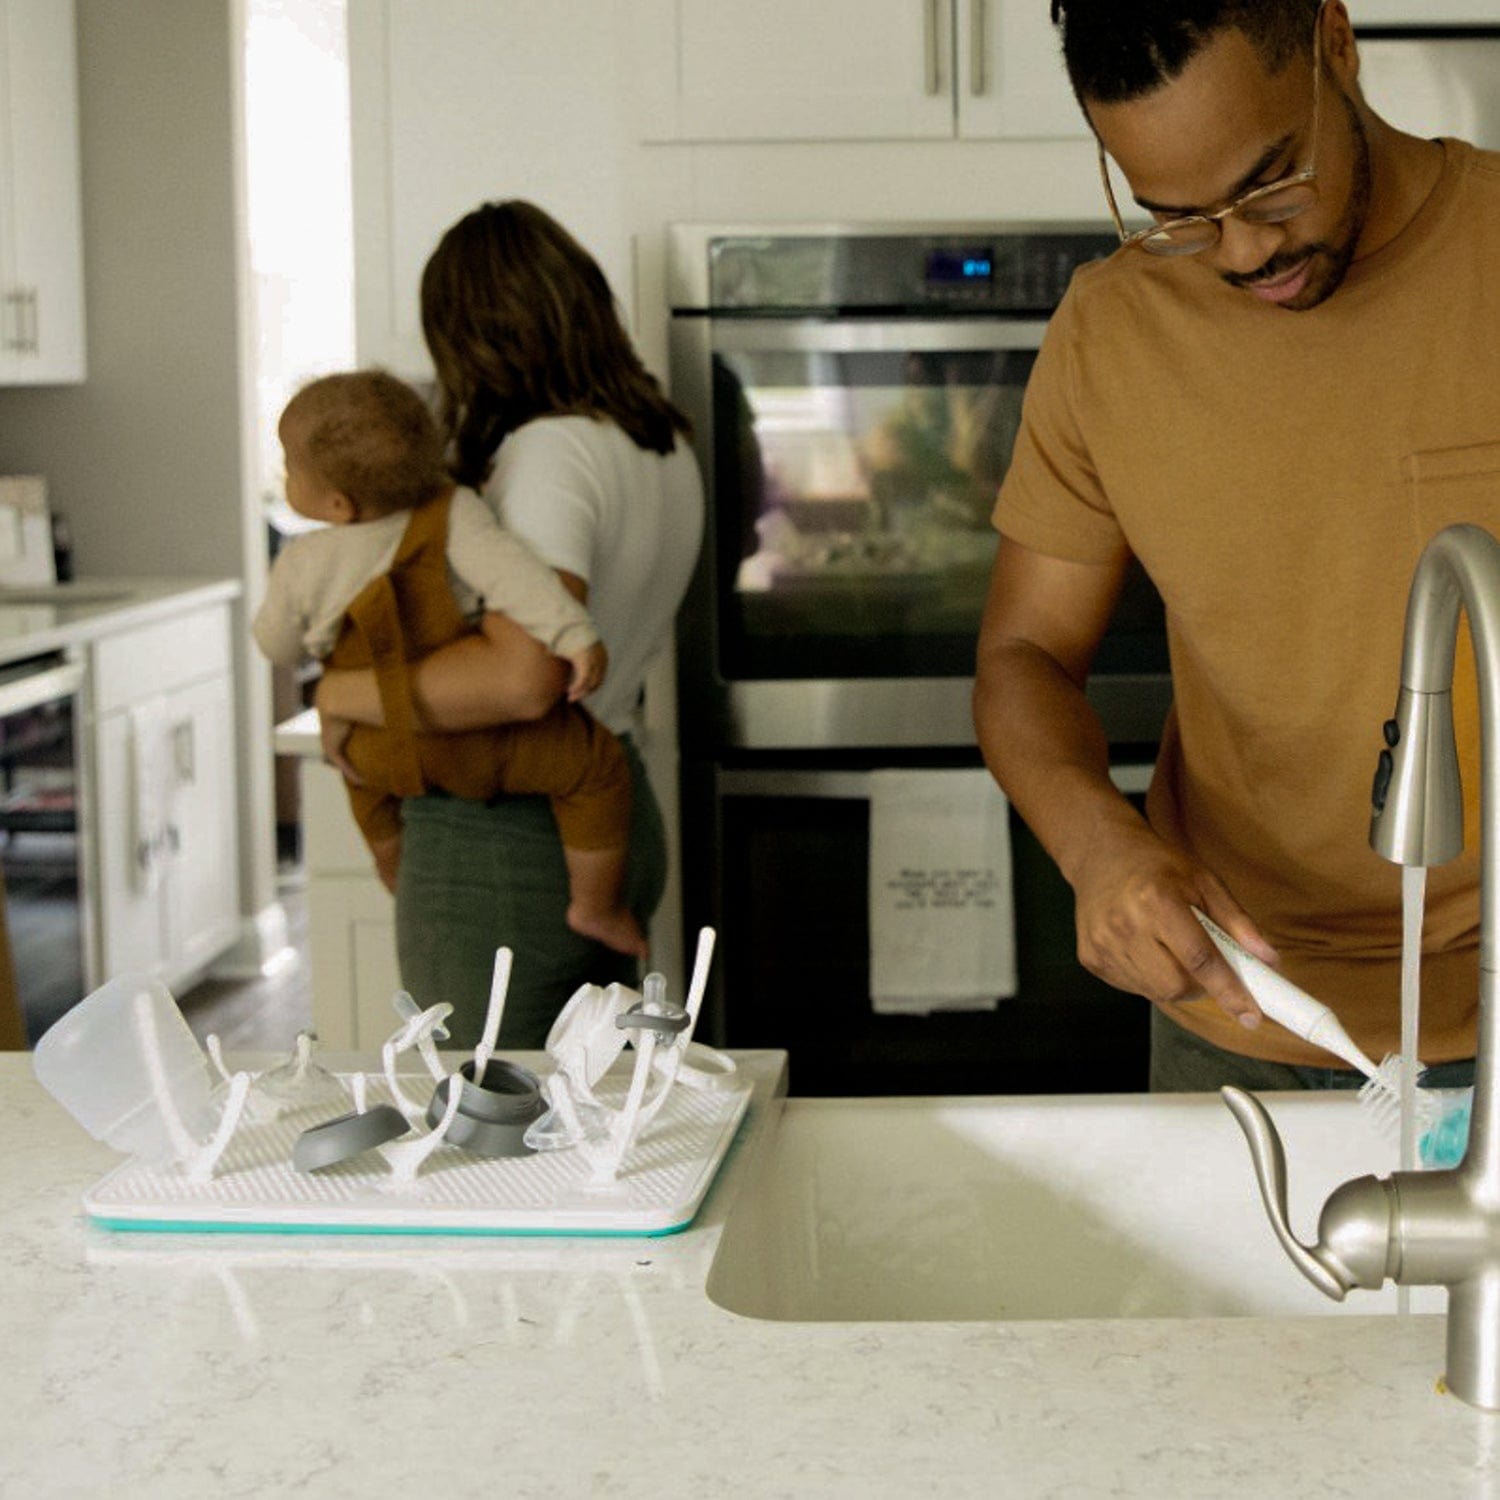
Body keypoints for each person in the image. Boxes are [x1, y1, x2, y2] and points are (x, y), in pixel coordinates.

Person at [974, 0, 1490, 1092]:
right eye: (1178, 217)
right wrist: (1096, 846)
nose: (1245, 253)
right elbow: (1023, 657)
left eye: (1272, 183)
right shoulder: (1112, 335)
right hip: (1241, 1017)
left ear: (1334, 45)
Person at [314, 202, 704, 1049]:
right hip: (611, 809)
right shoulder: (661, 444)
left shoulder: (550, 452)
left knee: (484, 1128)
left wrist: (341, 690)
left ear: (472, 338)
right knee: (593, 1120)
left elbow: (521, 680)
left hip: (509, 836)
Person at [254, 370, 645, 959]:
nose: (285, 476)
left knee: (365, 791)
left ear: (337, 503)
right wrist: (573, 633)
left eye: (290, 467)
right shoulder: (453, 510)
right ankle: (596, 905)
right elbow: (515, 578)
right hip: (478, 737)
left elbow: (277, 647)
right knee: (594, 768)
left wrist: (318, 667)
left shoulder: (302, 563)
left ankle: (393, 871)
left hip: (375, 741)